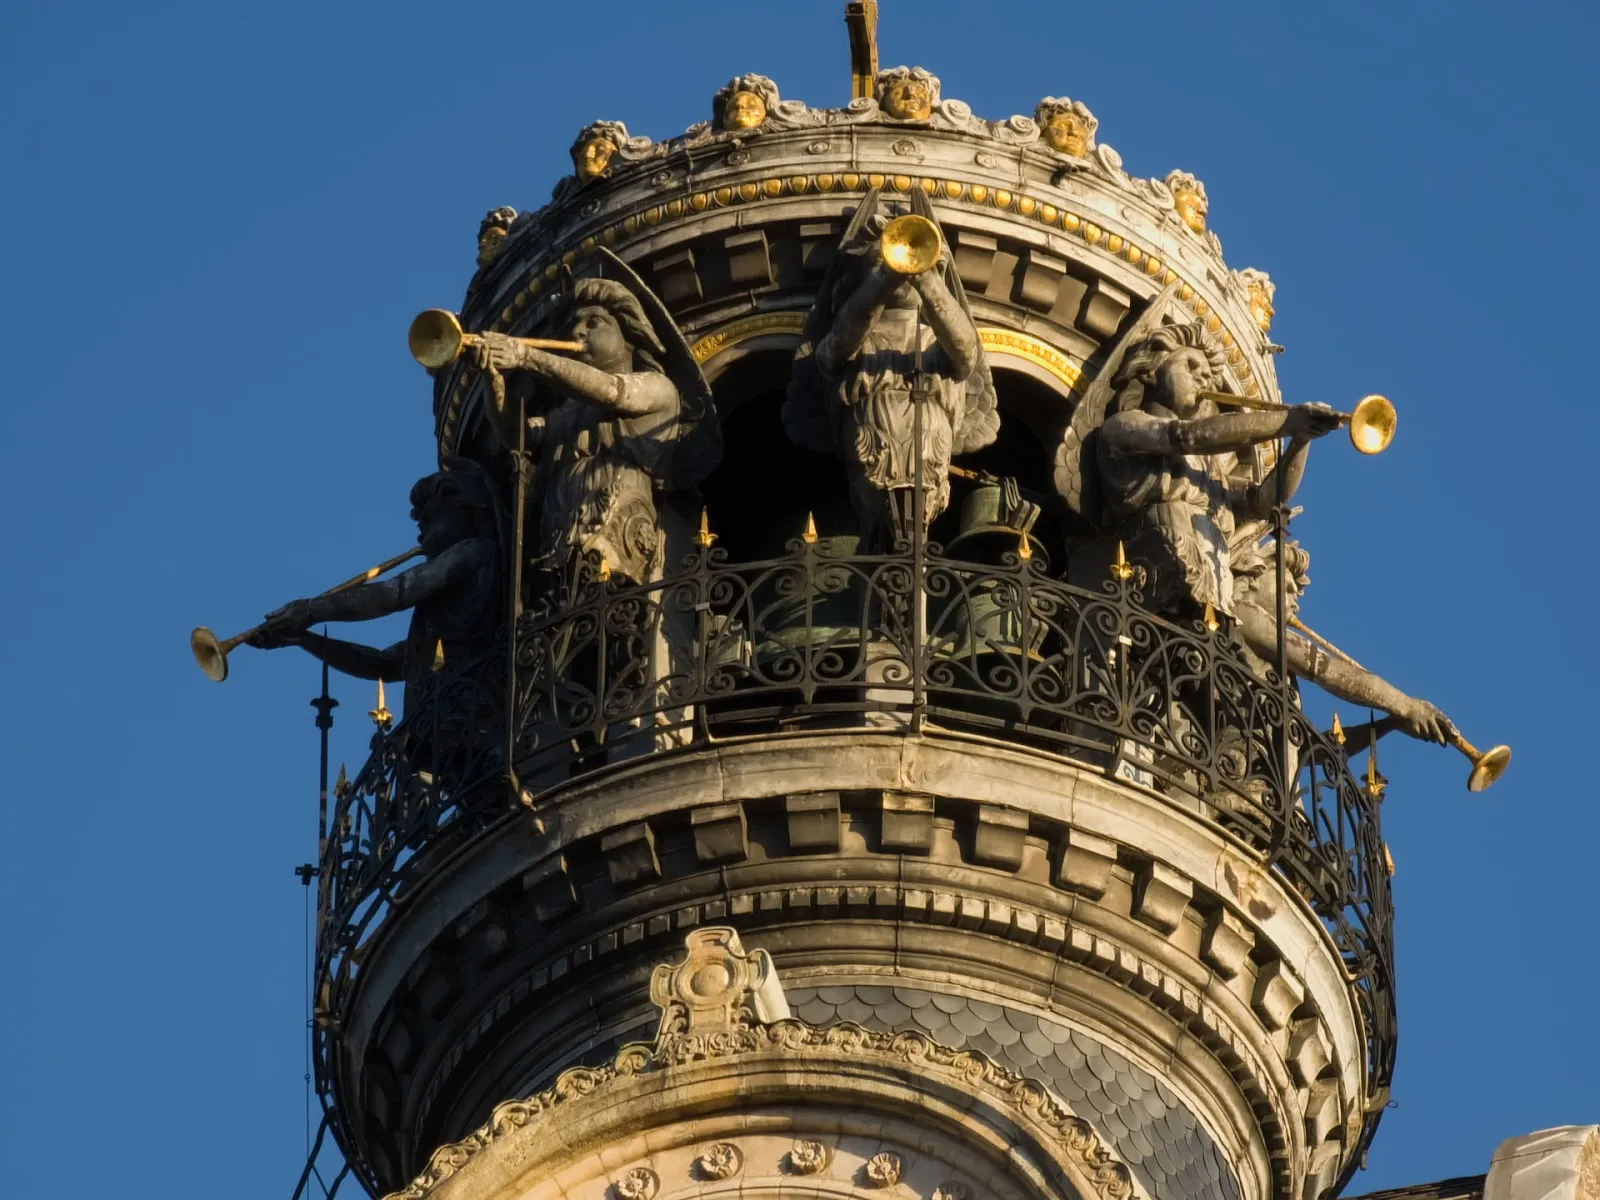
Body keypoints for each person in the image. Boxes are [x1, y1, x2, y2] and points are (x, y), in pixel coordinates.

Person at [784, 190, 997, 549]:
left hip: (929, 436)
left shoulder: (933, 338)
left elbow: (966, 350)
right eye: (879, 264)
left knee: (919, 527)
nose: (903, 271)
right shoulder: (860, 334)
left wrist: (924, 277)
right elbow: (831, 353)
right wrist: (885, 278)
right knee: (876, 522)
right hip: (872, 435)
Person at [247, 461, 502, 714]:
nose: (421, 536)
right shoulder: (438, 615)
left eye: (430, 520)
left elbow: (395, 593)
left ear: (466, 514)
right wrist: (302, 639)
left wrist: (311, 611)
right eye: (419, 526)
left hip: (470, 718)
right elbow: (382, 663)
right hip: (443, 729)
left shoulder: (473, 552)